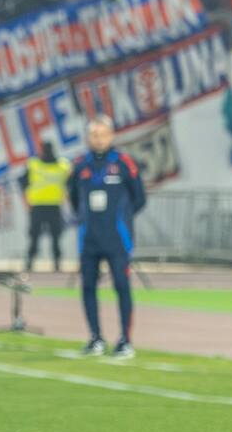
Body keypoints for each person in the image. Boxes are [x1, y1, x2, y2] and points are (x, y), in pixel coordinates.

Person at [67, 114, 146, 359]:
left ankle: (125, 340)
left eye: (102, 134)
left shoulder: (123, 163)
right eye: (93, 134)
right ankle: (95, 337)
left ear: (111, 135)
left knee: (122, 286)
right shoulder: (80, 165)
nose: (98, 139)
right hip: (89, 238)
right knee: (88, 287)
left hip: (117, 239)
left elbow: (139, 197)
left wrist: (123, 218)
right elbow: (73, 197)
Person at [20, 140, 70, 272]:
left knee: (54, 237)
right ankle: (31, 261)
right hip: (39, 205)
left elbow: (71, 182)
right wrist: (26, 200)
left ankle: (56, 262)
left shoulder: (62, 165)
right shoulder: (34, 164)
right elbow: (23, 183)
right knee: (35, 236)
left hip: (51, 205)